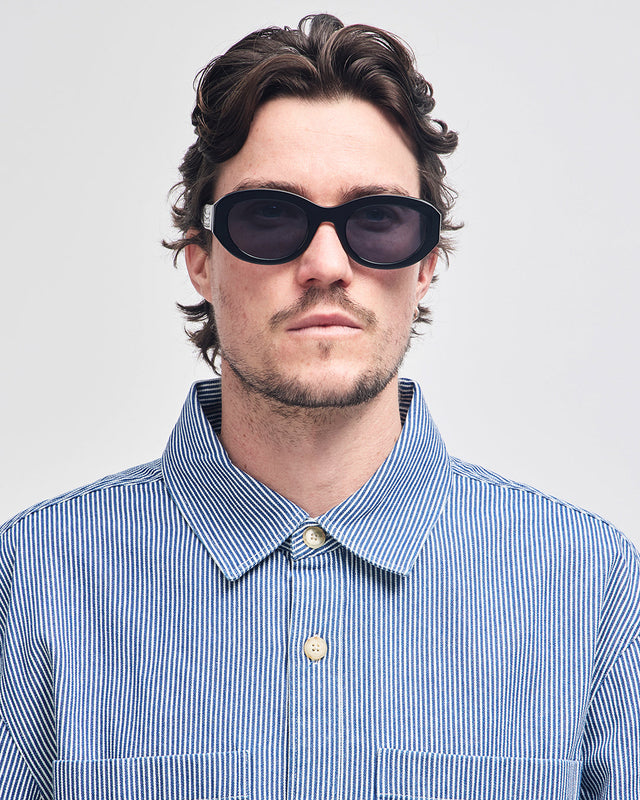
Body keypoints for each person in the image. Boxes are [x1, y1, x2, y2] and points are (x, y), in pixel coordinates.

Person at [1, 13, 638, 800]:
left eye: (378, 219)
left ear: (427, 264)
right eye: (271, 217)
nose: (326, 264)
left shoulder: (589, 587)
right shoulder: (34, 581)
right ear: (200, 261)